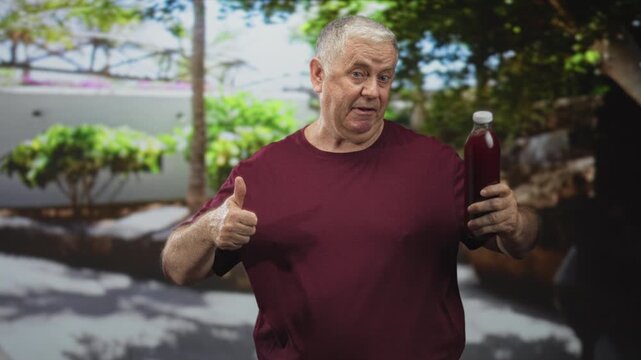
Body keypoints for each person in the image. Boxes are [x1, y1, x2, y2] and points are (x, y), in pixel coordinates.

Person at [162, 15, 538, 360]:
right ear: (318, 75)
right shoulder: (259, 175)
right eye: (358, 74)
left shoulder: (436, 164)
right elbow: (178, 267)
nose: (373, 91)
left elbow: (517, 243)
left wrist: (516, 223)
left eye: (384, 77)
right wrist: (212, 228)